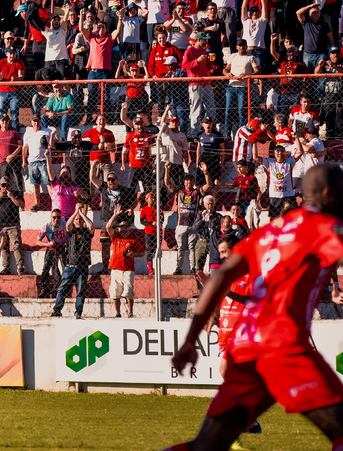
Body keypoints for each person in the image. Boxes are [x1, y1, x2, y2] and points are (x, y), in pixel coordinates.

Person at [164, 164, 343, 451]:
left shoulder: (266, 233)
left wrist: (189, 340)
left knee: (205, 446)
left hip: (244, 348)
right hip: (282, 344)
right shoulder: (323, 226)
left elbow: (220, 276)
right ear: (329, 194)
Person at [52, 203, 93, 319]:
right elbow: (68, 225)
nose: (78, 221)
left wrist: (81, 214)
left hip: (83, 266)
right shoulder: (71, 232)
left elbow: (91, 226)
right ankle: (57, 310)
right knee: (62, 289)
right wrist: (76, 212)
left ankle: (78, 313)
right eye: (76, 220)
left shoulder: (86, 232)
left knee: (81, 291)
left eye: (80, 220)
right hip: (70, 266)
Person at [107, 205, 144, 318]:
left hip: (128, 269)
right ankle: (117, 313)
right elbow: (108, 227)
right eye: (122, 228)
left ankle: (130, 312)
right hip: (116, 268)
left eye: (126, 228)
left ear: (129, 229)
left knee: (128, 291)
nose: (124, 230)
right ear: (119, 229)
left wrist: (133, 254)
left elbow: (142, 253)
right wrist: (115, 215)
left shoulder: (133, 240)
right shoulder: (116, 237)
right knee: (115, 291)